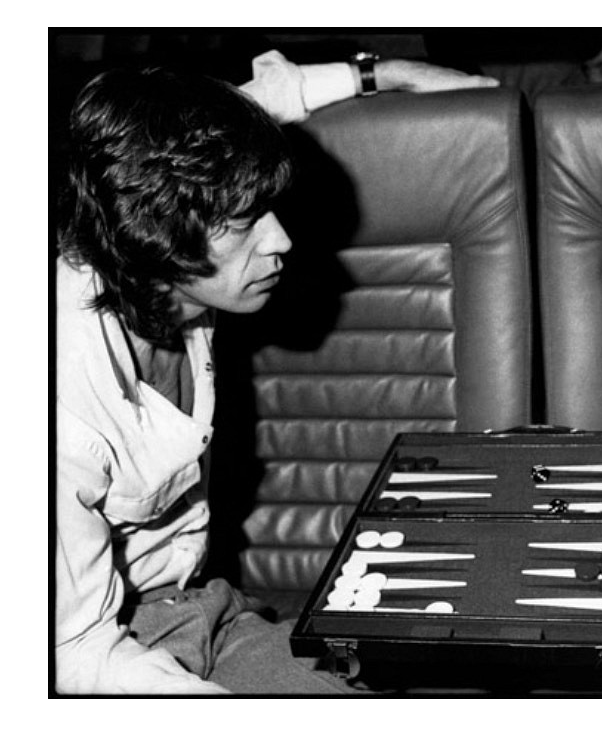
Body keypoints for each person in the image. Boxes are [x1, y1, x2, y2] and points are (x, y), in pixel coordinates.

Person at [53, 50, 496, 694]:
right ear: (156, 230)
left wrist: (383, 74)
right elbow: (75, 654)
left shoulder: (158, 222)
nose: (281, 239)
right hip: (109, 651)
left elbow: (249, 109)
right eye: (244, 222)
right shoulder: (55, 402)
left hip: (204, 610)